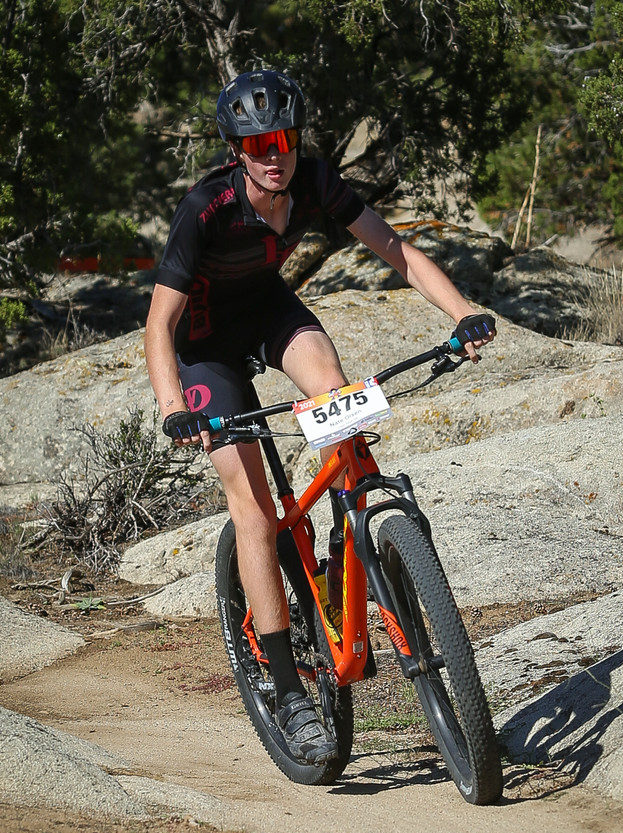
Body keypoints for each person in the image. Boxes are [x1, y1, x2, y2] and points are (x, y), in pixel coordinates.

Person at [144, 68, 496, 766]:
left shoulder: (313, 181)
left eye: (283, 140)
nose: (273, 155)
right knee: (253, 509)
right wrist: (173, 408)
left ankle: (347, 546)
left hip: (268, 312)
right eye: (257, 144)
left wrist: (462, 314)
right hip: (205, 349)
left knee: (335, 395)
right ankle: (287, 690)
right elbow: (158, 324)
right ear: (236, 149)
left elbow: (395, 250)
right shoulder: (206, 207)